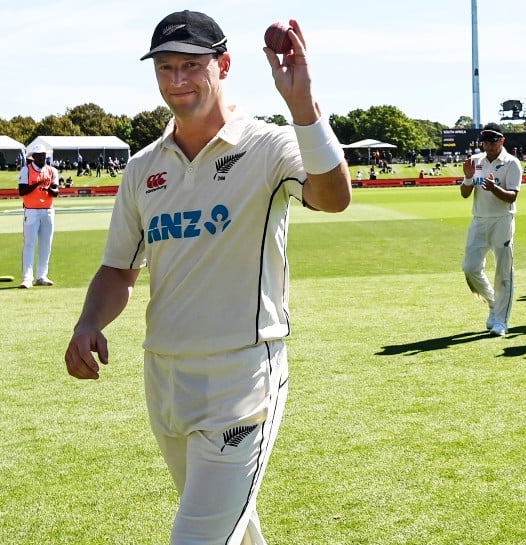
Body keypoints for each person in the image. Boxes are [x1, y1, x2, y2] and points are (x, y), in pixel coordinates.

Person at [63, 11, 351, 544]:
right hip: (166, 375)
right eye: (166, 68)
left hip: (242, 376)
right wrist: (88, 322)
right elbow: (118, 268)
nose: (177, 81)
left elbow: (333, 198)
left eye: (191, 66)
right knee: (234, 534)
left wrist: (302, 105)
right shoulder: (143, 167)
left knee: (199, 537)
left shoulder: (268, 147)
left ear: (223, 66)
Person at [460, 122, 522, 337]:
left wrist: (494, 188)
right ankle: (495, 304)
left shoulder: (511, 163)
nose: (489, 145)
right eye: (486, 141)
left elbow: (512, 196)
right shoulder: (475, 161)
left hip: (502, 220)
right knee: (470, 268)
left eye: (493, 141)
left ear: (502, 141)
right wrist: (468, 178)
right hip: (479, 220)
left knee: (503, 271)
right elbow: (465, 194)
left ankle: (501, 321)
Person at [17, 142, 60, 288]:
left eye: (44, 155)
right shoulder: (26, 170)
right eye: (40, 155)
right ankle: (27, 278)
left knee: (46, 244)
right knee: (29, 244)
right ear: (33, 157)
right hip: (31, 210)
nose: (42, 158)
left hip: (48, 210)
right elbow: (22, 191)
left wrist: (48, 189)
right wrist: (37, 184)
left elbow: (56, 192)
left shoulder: (52, 170)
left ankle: (42, 275)